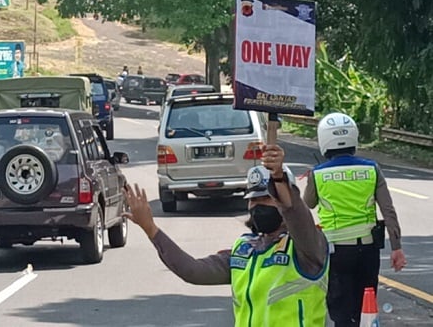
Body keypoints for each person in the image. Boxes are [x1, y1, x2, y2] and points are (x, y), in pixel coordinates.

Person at [126, 145, 329, 326]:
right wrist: (151, 229)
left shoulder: (307, 247)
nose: (258, 206)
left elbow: (295, 213)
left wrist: (278, 178)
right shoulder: (245, 251)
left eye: (267, 199)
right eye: (254, 200)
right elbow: (193, 270)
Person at [304, 112, 407, 327]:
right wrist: (396, 247)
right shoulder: (371, 169)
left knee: (341, 312)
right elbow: (389, 211)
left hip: (335, 253)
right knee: (366, 309)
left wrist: (311, 180)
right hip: (368, 252)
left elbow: (308, 204)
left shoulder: (318, 174)